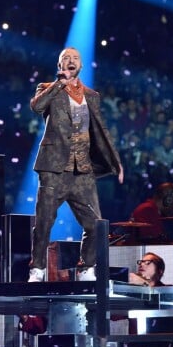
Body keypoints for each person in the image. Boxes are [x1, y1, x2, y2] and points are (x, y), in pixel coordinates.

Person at [28, 47, 124, 282]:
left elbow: (101, 131)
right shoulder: (47, 88)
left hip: (82, 170)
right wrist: (59, 83)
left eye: (75, 59)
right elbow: (37, 107)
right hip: (53, 168)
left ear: (81, 66)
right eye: (65, 59)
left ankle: (86, 267)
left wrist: (116, 162)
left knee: (96, 224)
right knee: (44, 221)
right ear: (59, 65)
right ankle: (37, 268)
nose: (70, 62)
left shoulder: (92, 95)